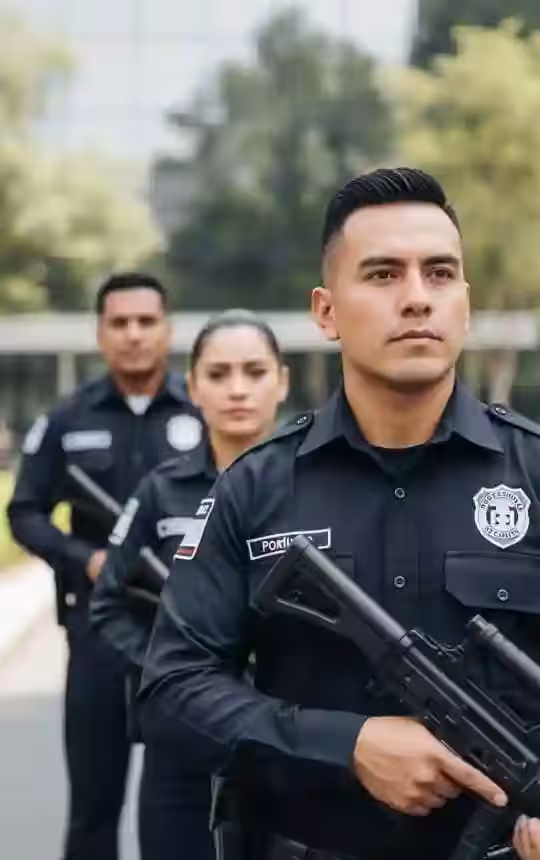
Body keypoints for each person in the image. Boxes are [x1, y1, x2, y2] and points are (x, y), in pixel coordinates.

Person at [138, 167, 540, 860]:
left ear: (465, 305)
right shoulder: (254, 488)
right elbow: (171, 691)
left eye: (440, 274)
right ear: (325, 311)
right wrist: (346, 745)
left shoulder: (534, 475)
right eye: (383, 275)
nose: (417, 298)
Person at [7, 272, 204, 860]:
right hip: (98, 631)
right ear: (101, 333)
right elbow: (25, 512)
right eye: (120, 323)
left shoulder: (202, 409)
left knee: (186, 802)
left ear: (167, 330)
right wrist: (84, 559)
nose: (134, 334)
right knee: (94, 807)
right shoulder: (67, 420)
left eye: (146, 321)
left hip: (188, 634)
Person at [89, 309, 289, 860]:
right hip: (181, 744)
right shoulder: (161, 490)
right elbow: (107, 604)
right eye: (219, 375)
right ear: (193, 387)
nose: (238, 390)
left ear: (282, 381)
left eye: (254, 371)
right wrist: (169, 669)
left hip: (288, 740)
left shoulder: (314, 487)